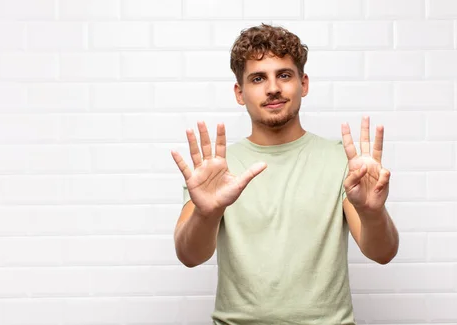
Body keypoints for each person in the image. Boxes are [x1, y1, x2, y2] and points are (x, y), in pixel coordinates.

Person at [170, 23, 399, 325]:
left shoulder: (343, 162)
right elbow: (189, 256)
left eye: (284, 75)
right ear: (240, 92)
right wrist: (206, 213)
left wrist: (372, 212)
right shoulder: (216, 169)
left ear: (303, 84)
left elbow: (382, 253)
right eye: (258, 78)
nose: (273, 87)